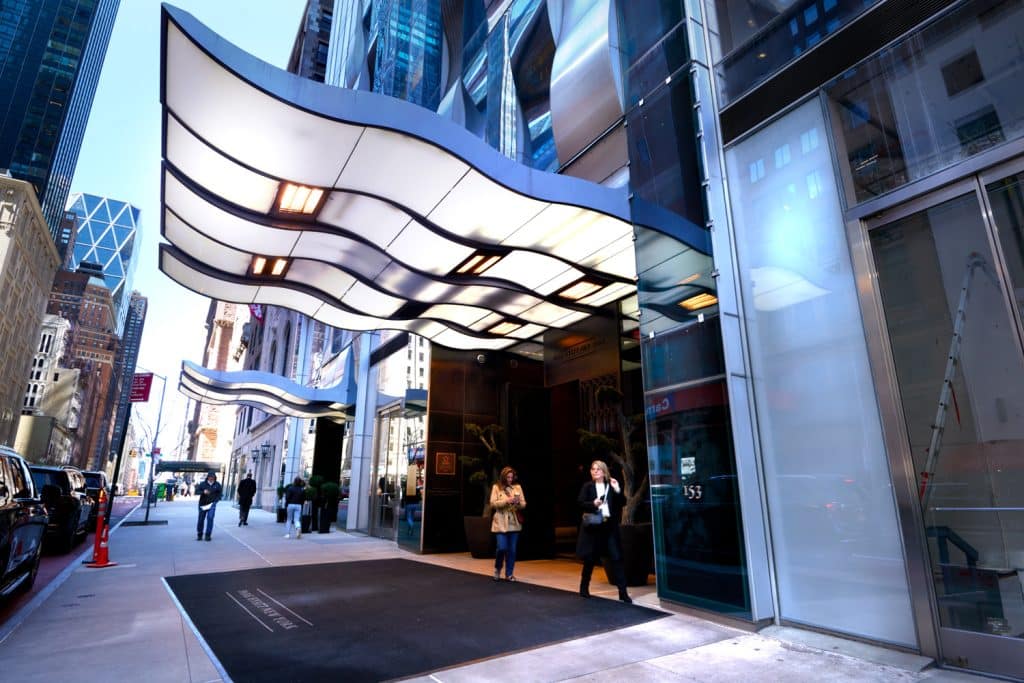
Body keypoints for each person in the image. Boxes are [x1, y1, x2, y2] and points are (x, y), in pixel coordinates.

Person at [576, 460, 631, 603]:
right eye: (593, 469)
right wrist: (592, 504)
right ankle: (584, 587)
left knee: (616, 558)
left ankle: (623, 593)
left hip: (609, 527)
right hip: (594, 527)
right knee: (590, 559)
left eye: (598, 469)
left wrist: (617, 488)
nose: (595, 471)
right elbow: (580, 503)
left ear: (604, 471)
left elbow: (623, 502)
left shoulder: (610, 486)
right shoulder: (587, 486)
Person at [490, 466, 526, 582]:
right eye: (508, 477)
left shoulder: (517, 487)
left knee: (512, 550)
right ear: (503, 477)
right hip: (500, 523)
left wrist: (518, 503)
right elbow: (492, 503)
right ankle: (497, 568)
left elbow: (524, 504)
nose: (510, 479)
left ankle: (509, 574)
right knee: (501, 548)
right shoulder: (496, 487)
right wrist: (506, 501)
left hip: (514, 523)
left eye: (511, 477)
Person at [195, 472, 222, 541]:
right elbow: (196, 491)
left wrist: (216, 501)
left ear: (215, 477)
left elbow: (220, 494)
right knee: (201, 519)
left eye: (213, 477)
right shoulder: (203, 484)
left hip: (212, 505)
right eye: (210, 477)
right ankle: (200, 534)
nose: (211, 478)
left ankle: (208, 535)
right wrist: (203, 492)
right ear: (208, 477)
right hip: (202, 504)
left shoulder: (217, 484)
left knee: (210, 518)